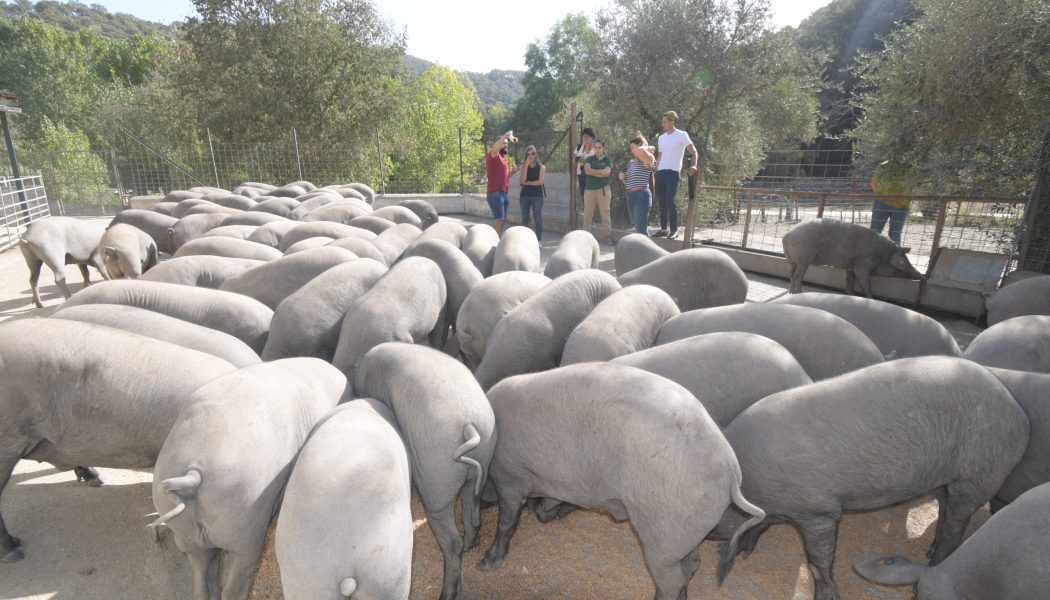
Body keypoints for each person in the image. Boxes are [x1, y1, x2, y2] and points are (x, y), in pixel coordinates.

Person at [653, 111, 698, 238]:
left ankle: (674, 230)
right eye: (662, 121)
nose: (662, 123)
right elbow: (660, 155)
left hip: (673, 172)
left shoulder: (682, 135)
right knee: (662, 201)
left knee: (669, 200)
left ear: (672, 122)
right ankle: (663, 229)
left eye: (665, 121)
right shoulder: (661, 137)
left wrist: (694, 165)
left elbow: (693, 151)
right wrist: (655, 171)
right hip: (660, 173)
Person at [618, 133, 657, 236]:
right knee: (638, 226)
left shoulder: (649, 159)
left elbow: (641, 151)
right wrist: (623, 179)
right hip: (630, 196)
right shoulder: (631, 162)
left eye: (633, 148)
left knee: (641, 228)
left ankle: (648, 251)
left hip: (641, 195)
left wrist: (648, 147)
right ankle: (645, 249)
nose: (631, 150)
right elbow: (628, 182)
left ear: (640, 146)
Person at [869, 160, 911, 244]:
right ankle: (895, 255)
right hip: (900, 204)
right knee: (893, 233)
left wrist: (883, 195)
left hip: (890, 203)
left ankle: (872, 255)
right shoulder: (883, 166)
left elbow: (873, 184)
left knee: (875, 231)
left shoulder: (911, 167)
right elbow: (873, 183)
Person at [486, 130, 518, 235]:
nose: (505, 145)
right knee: (499, 219)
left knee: (502, 220)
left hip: (503, 192)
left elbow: (503, 176)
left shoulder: (503, 159)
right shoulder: (493, 155)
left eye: (507, 144)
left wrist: (512, 173)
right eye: (504, 143)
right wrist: (505, 136)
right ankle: (494, 242)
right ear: (499, 143)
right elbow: (495, 148)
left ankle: (496, 238)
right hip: (495, 193)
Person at [582, 139, 614, 245]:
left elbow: (607, 173)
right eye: (595, 147)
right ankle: (586, 237)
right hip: (589, 190)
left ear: (603, 148)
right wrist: (600, 172)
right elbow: (587, 171)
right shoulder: (589, 159)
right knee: (587, 214)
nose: (597, 149)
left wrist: (593, 172)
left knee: (605, 213)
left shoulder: (608, 159)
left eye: (599, 147)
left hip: (603, 189)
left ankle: (608, 236)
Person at [518, 144, 545, 241]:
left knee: (537, 217)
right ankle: (525, 240)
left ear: (536, 154)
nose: (531, 156)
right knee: (525, 218)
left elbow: (540, 182)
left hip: (537, 196)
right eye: (528, 154)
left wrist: (529, 183)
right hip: (524, 196)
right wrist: (526, 166)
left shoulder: (541, 167)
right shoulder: (522, 167)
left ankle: (538, 240)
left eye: (533, 153)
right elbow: (522, 181)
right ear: (526, 156)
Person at [574, 127, 595, 200]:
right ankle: (585, 210)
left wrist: (586, 161)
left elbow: (599, 160)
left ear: (592, 137)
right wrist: (578, 159)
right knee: (583, 195)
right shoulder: (579, 147)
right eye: (583, 137)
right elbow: (575, 159)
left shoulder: (596, 147)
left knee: (591, 195)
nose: (585, 139)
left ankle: (591, 210)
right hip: (581, 173)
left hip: (592, 174)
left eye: (587, 137)